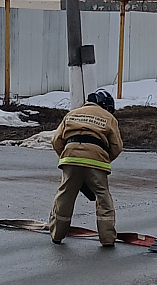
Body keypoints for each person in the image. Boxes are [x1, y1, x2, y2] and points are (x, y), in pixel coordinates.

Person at [49, 89, 123, 247]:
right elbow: (117, 146)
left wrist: (66, 156)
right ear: (106, 106)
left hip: (70, 156)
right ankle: (107, 238)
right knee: (103, 197)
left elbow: (56, 140)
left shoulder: (72, 114)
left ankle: (57, 234)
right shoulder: (109, 118)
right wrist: (103, 159)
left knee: (65, 196)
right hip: (96, 160)